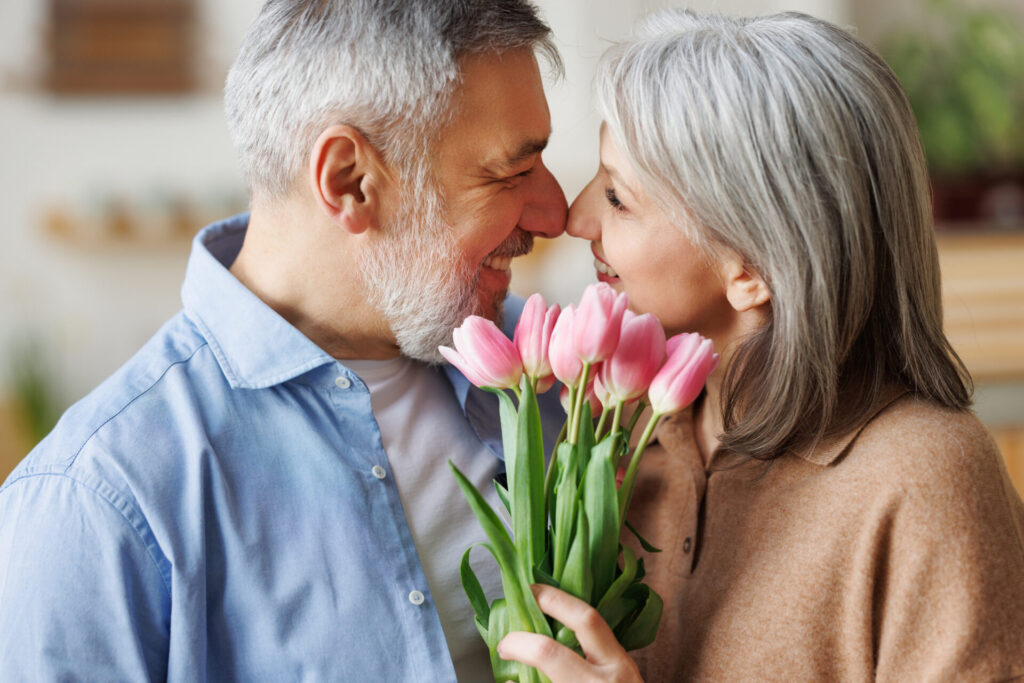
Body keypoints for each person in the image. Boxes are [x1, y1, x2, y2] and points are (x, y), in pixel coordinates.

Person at [0, 1, 568, 680]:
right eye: (510, 172)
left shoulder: (562, 371)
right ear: (349, 180)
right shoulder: (96, 500)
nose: (556, 212)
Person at [498, 9, 1024, 681]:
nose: (576, 218)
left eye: (618, 197)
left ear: (750, 269)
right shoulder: (616, 432)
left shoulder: (924, 479)